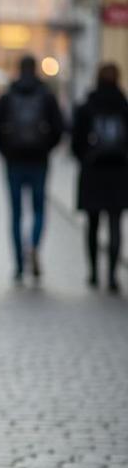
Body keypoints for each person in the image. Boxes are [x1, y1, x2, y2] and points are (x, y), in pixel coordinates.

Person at [0, 55, 64, 282]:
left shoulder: (7, 95)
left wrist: (6, 151)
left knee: (16, 213)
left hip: (14, 161)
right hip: (39, 161)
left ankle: (19, 265)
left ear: (18, 69)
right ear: (36, 69)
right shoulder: (47, 96)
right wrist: (46, 148)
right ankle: (33, 244)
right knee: (39, 209)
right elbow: (60, 128)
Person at [71, 63, 128, 294]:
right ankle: (112, 276)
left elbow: (75, 142)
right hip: (119, 172)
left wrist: (86, 158)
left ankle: (94, 272)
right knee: (115, 224)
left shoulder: (87, 106)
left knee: (92, 225)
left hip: (93, 171)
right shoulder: (124, 106)